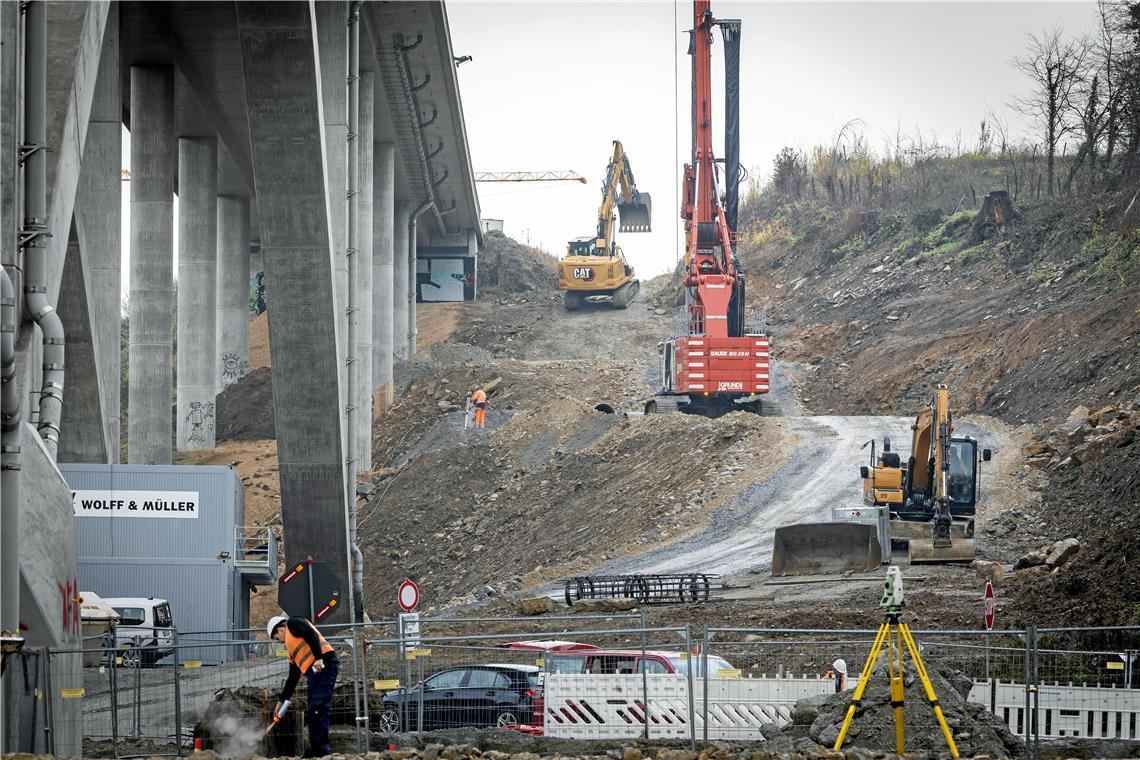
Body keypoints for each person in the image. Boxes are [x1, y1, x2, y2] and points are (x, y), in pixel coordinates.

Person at [268, 614, 338, 757]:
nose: (279, 642)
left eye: (277, 639)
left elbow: (311, 634)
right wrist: (281, 701)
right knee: (313, 710)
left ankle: (322, 752)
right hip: (315, 672)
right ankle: (316, 750)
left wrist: (318, 658)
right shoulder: (290, 650)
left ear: (279, 630)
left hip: (324, 664)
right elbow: (292, 679)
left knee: (318, 707)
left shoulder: (293, 623)